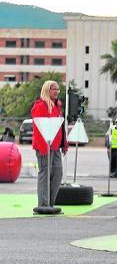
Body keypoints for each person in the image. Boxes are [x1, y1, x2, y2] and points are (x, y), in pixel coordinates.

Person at [31, 80, 68, 211]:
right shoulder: (40, 105)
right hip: (44, 146)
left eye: (58, 89)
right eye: (54, 89)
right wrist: (43, 148)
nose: (57, 91)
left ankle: (50, 204)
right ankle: (43, 204)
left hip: (55, 146)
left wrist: (64, 144)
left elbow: (60, 126)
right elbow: (39, 128)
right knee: (45, 173)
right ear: (47, 90)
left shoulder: (57, 105)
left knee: (58, 172)